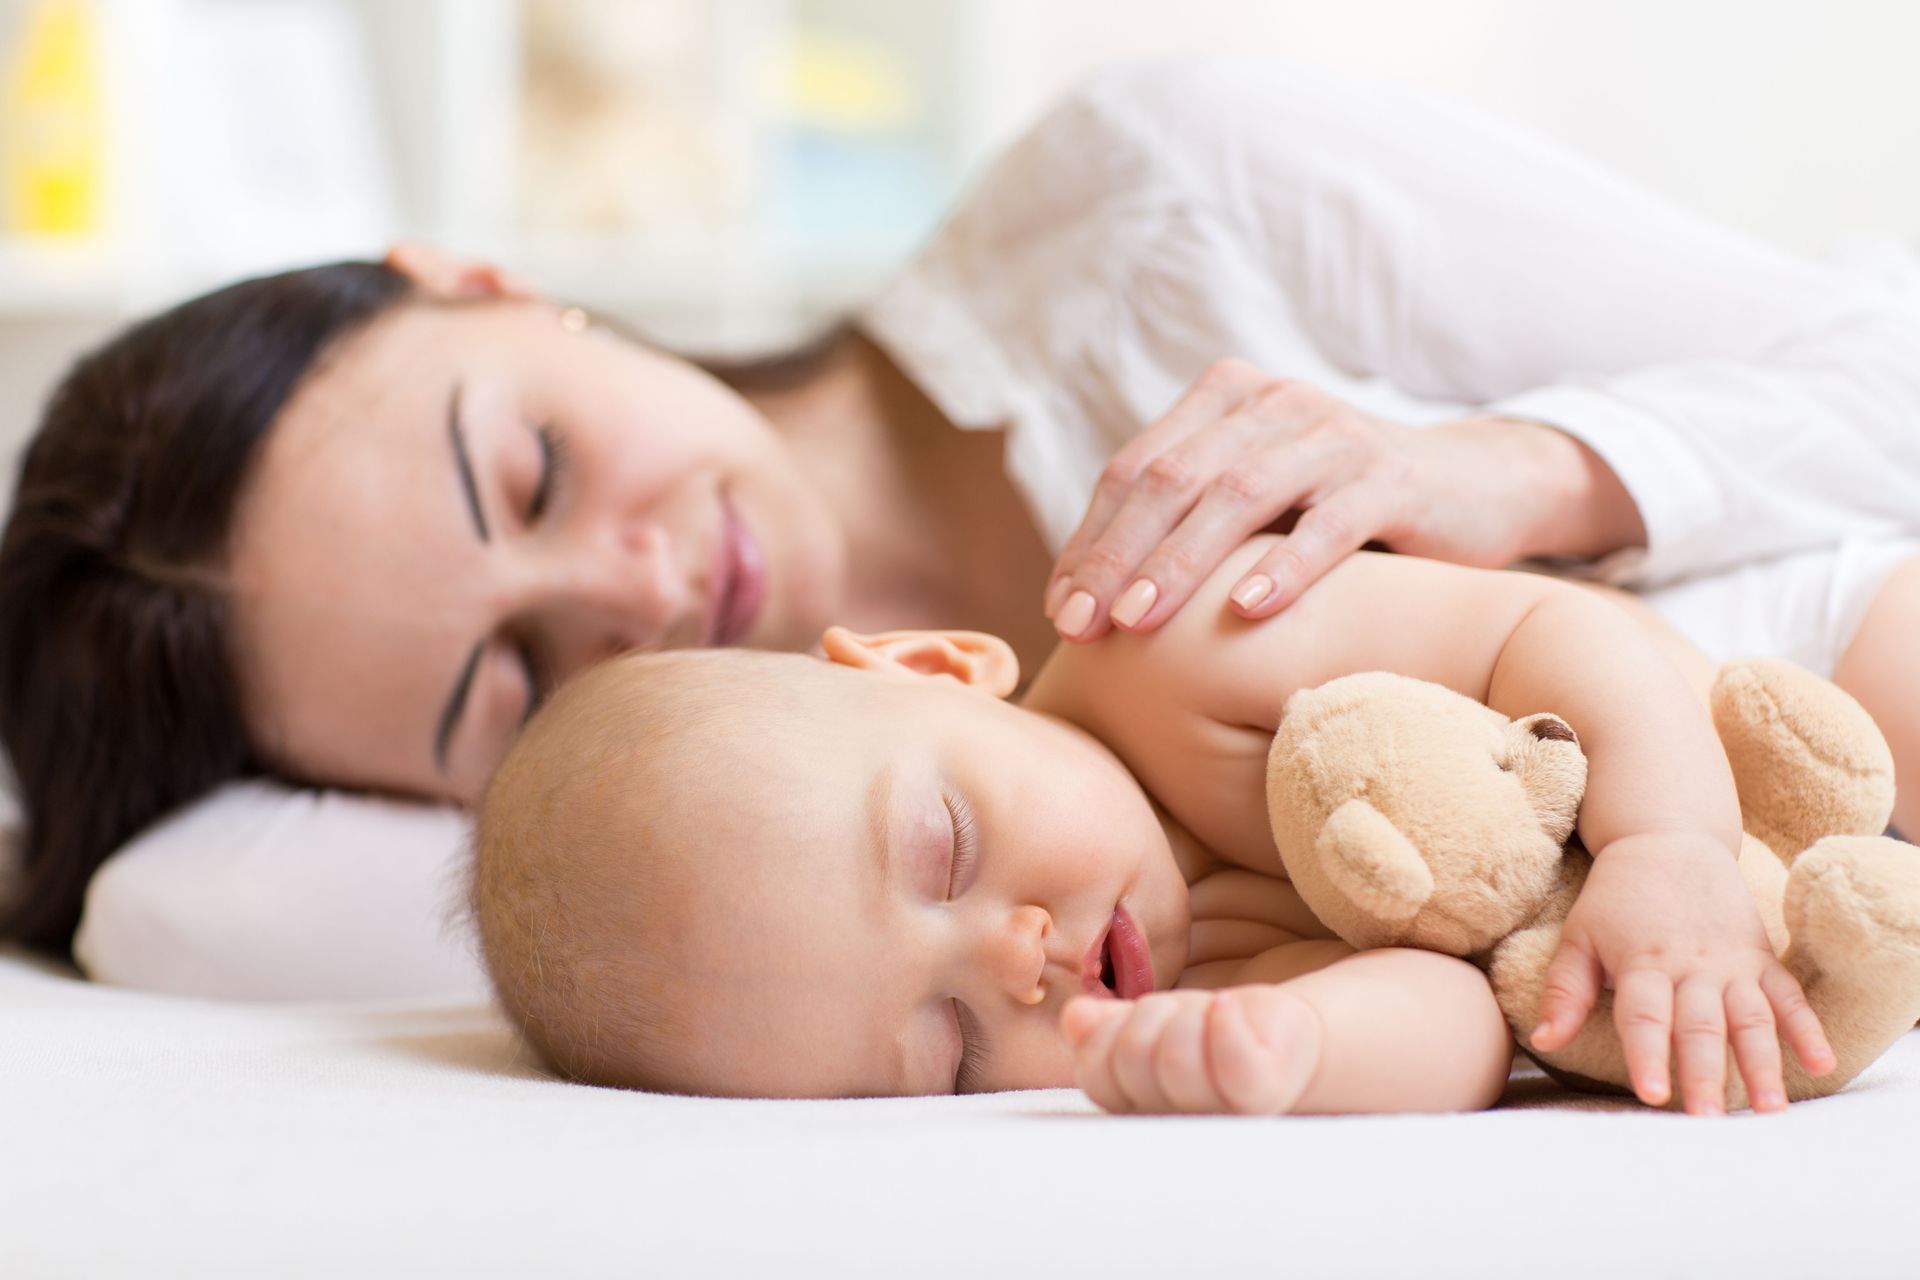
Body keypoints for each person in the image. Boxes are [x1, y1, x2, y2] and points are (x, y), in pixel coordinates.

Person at [4, 57, 1919, 976]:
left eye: (531, 472)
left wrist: (1510, 469)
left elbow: (1885, 370)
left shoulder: (1177, 192)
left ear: (488, 281)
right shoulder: (818, 925)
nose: (638, 585)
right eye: (507, 685)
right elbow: (198, 918)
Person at [472, 537, 1865, 1115]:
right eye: (953, 1045)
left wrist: (1669, 844)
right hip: (1826, 887)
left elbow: (1546, 627)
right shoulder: (1170, 997)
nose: (1017, 958)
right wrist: (1291, 1053)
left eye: (948, 852)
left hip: (1755, 665)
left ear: (941, 670)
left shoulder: (1180, 655)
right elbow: (1468, 1027)